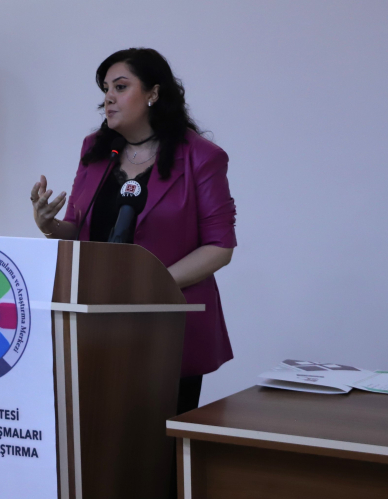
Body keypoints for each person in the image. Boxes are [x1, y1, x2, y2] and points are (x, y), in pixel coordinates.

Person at [30, 48, 237, 415]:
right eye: (106, 89)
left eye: (121, 87)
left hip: (168, 323)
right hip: (97, 320)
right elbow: (79, 230)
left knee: (159, 439)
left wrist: (150, 285)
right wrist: (49, 224)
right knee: (98, 434)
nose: (108, 98)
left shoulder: (202, 157)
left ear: (153, 93)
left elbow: (219, 247)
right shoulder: (96, 150)